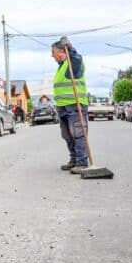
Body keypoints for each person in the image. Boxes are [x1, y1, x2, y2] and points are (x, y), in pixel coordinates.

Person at [51, 36, 89, 173]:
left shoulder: (73, 63)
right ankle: (74, 160)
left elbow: (77, 58)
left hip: (75, 105)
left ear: (61, 52)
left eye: (53, 52)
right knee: (67, 135)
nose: (52, 55)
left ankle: (82, 162)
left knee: (78, 134)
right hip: (62, 106)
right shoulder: (61, 67)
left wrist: (70, 48)